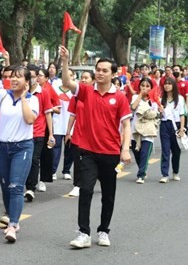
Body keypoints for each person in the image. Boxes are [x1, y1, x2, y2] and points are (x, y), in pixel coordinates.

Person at [59, 46, 132, 249]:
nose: (100, 73)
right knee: (86, 190)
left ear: (113, 74)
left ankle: (103, 230)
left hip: (110, 152)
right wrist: (65, 61)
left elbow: (126, 125)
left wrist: (125, 148)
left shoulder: (119, 97)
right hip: (88, 151)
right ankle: (83, 232)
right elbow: (66, 83)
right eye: (98, 69)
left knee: (108, 194)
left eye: (104, 70)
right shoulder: (85, 91)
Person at [0, 58, 38, 243]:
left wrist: (22, 99)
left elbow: (30, 120)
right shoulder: (2, 95)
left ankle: (13, 224)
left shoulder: (32, 99)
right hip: (3, 147)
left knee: (16, 186)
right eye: (12, 77)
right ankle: (12, 217)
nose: (13, 80)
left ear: (27, 82)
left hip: (23, 147)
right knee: (6, 187)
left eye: (18, 78)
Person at [24, 65, 55, 201]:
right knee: (24, 160)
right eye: (28, 76)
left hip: (38, 132)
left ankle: (31, 188)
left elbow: (48, 114)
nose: (30, 79)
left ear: (37, 77)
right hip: (23, 132)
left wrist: (51, 134)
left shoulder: (44, 93)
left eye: (32, 76)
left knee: (34, 159)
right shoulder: (21, 92)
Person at [65, 70, 95, 197]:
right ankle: (77, 185)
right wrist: (68, 132)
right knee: (78, 160)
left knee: (92, 161)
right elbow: (72, 115)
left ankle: (92, 179)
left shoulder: (96, 95)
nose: (83, 80)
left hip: (93, 135)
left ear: (93, 81)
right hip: (78, 134)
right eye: (82, 78)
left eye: (86, 78)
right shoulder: (76, 97)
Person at [130, 78, 161, 184]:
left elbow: (156, 114)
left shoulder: (154, 101)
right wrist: (140, 96)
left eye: (147, 86)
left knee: (144, 153)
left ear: (151, 88)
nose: (145, 88)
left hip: (148, 130)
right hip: (135, 130)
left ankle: (141, 175)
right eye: (143, 85)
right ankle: (142, 169)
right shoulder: (135, 97)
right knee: (136, 152)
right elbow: (133, 107)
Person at [159, 77, 185, 183]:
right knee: (165, 150)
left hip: (176, 125)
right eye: (165, 84)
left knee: (176, 151)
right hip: (164, 125)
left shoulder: (180, 98)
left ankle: (175, 172)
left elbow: (182, 115)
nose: (167, 85)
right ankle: (165, 174)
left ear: (173, 85)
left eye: (169, 84)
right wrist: (160, 111)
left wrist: (182, 129)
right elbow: (159, 116)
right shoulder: (161, 98)